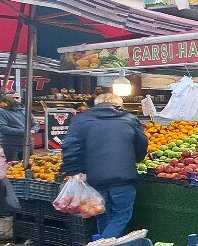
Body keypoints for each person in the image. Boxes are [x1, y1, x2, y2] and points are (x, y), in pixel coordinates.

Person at [62, 93, 148, 238]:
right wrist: (136, 159)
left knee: (102, 214)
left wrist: (74, 171)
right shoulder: (130, 119)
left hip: (94, 178)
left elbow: (70, 148)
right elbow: (141, 144)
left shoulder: (81, 120)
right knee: (121, 215)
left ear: (96, 104)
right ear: (119, 105)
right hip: (123, 177)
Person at [0, 91, 38, 162]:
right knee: (9, 166)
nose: (15, 100)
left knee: (29, 165)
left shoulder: (25, 110)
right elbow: (0, 128)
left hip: (28, 144)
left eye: (17, 98)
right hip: (9, 145)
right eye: (12, 98)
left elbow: (35, 124)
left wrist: (33, 130)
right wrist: (25, 132)